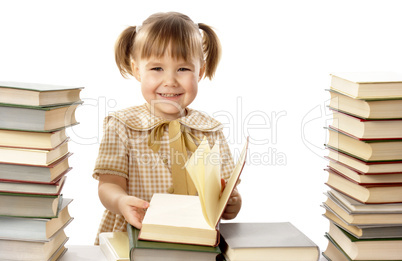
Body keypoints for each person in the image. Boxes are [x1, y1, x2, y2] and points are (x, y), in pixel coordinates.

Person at [93, 12, 241, 244]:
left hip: (195, 238)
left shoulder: (210, 131)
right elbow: (109, 184)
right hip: (136, 235)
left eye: (183, 69)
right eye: (157, 69)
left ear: (200, 71)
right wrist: (121, 202)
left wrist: (233, 203)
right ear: (137, 70)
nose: (170, 81)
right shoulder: (122, 125)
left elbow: (224, 191)